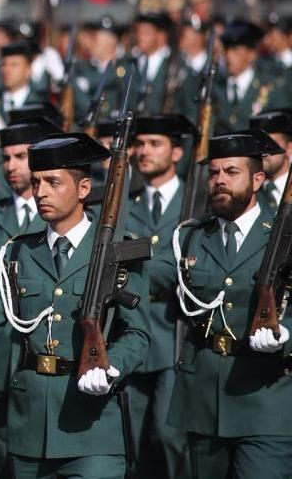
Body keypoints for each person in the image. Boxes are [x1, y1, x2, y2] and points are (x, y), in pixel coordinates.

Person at [0, 132, 150, 478]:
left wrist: (112, 367)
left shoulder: (118, 251)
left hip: (93, 426)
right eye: (36, 182)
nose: (41, 192)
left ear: (83, 189)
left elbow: (138, 333)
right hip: (30, 425)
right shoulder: (18, 252)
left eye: (53, 182)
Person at [169, 130, 292, 477]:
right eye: (214, 173)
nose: (219, 180)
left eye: (231, 172)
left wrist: (286, 332)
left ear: (257, 179)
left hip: (267, 398)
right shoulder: (191, 235)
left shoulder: (283, 234)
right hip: (204, 399)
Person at [0, 117, 58, 478]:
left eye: (21, 157)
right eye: (6, 157)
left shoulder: (56, 215)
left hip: (43, 353)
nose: (11, 166)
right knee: (5, 456)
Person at [122, 113, 196, 477]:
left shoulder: (196, 202)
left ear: (177, 152)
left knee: (170, 437)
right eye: (140, 144)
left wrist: (139, 271)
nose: (144, 151)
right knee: (132, 442)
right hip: (132, 333)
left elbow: (186, 268)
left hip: (175, 337)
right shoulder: (126, 204)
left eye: (155, 144)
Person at [250, 108, 292, 211]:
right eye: (257, 144)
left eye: (270, 144)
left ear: (289, 148)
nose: (263, 152)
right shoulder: (248, 192)